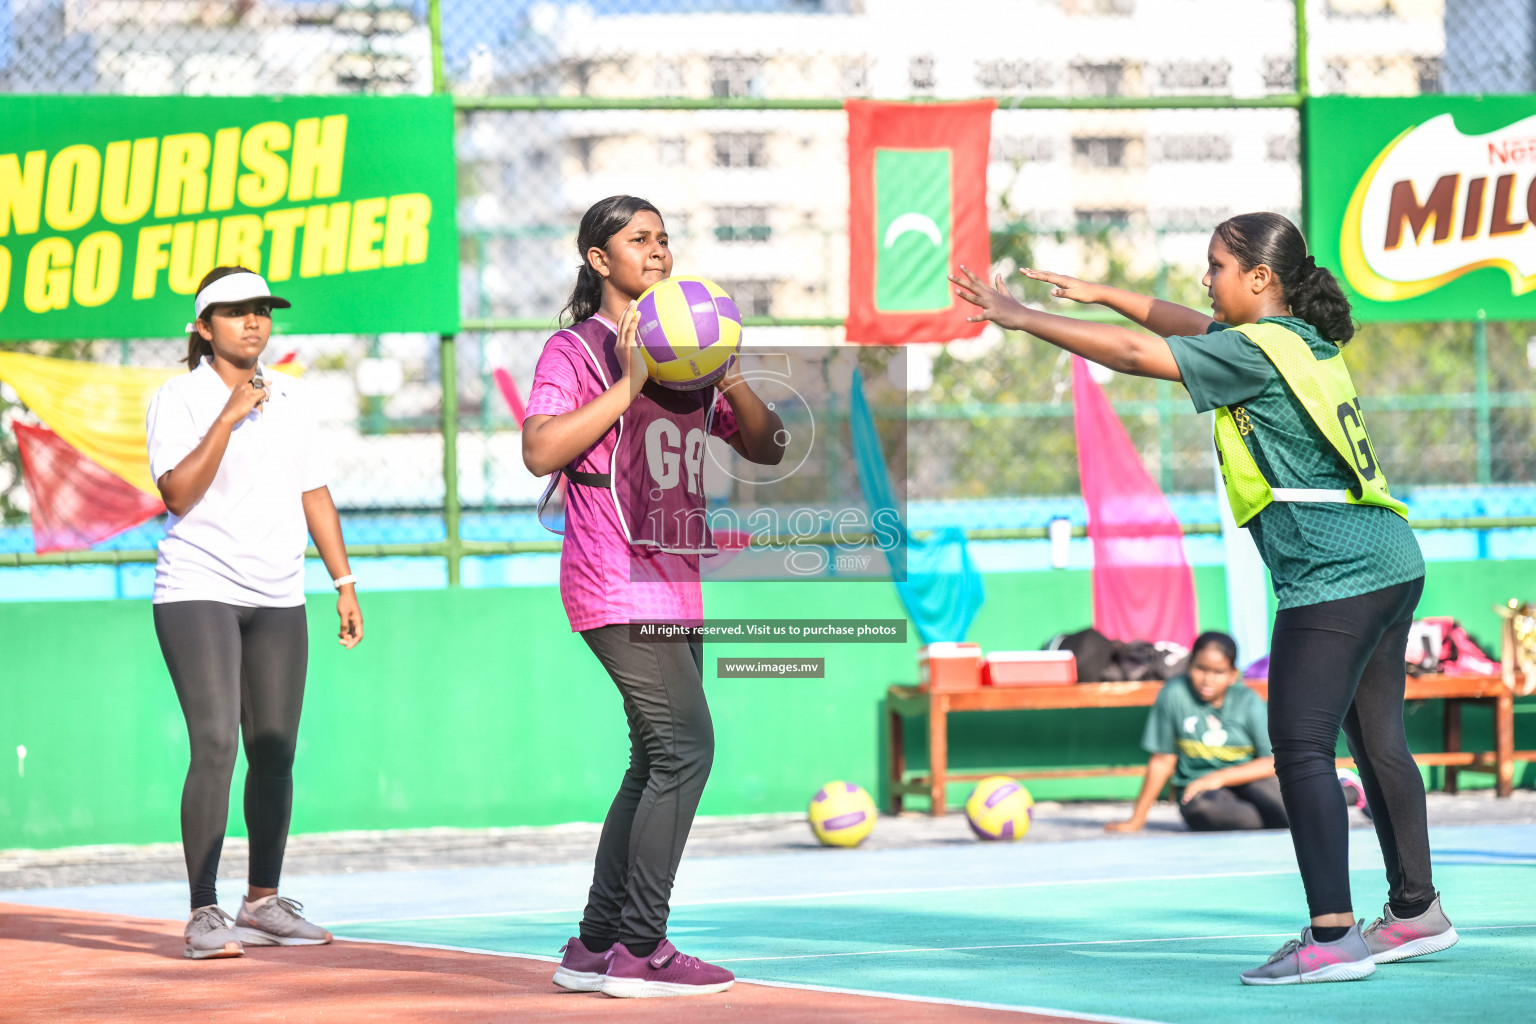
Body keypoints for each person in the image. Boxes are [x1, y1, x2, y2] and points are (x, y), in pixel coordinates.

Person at [953, 213, 1455, 985]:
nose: (1205, 279)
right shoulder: (1298, 341)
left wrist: (1025, 319)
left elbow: (1138, 354)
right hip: (1390, 556)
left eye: (1216, 265)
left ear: (1260, 278)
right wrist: (1104, 293)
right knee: (1379, 742)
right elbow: (1183, 324)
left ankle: (1331, 937)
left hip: (1333, 576)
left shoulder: (1253, 354)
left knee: (1300, 748)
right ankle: (1417, 911)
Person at [522, 196, 786, 998]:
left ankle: (596, 944)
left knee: (654, 756)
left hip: (675, 581)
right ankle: (644, 949)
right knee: (687, 749)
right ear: (600, 261)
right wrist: (630, 381)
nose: (658, 250)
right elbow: (540, 450)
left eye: (664, 238)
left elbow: (769, 448)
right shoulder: (577, 349)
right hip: (612, 576)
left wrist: (732, 379)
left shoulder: (695, 352)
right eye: (638, 240)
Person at [147, 266, 363, 960]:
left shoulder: (293, 396)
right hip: (198, 587)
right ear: (204, 328)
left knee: (274, 749)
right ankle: (204, 912)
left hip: (279, 594)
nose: (253, 321)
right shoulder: (178, 398)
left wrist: (344, 581)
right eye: (235, 311)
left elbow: (315, 491)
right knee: (216, 743)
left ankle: (262, 903)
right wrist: (227, 416)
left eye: (262, 310)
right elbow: (177, 494)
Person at [1107, 631, 1287, 834]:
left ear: (1232, 674)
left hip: (1248, 781)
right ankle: (1277, 822)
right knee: (1202, 810)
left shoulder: (1247, 700)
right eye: (1201, 668)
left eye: (1218, 672)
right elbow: (1162, 761)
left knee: (1288, 801)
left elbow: (1271, 761)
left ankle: (1281, 819)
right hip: (1202, 791)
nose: (1207, 679)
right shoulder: (1173, 694)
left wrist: (1219, 777)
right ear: (1189, 665)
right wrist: (1136, 820)